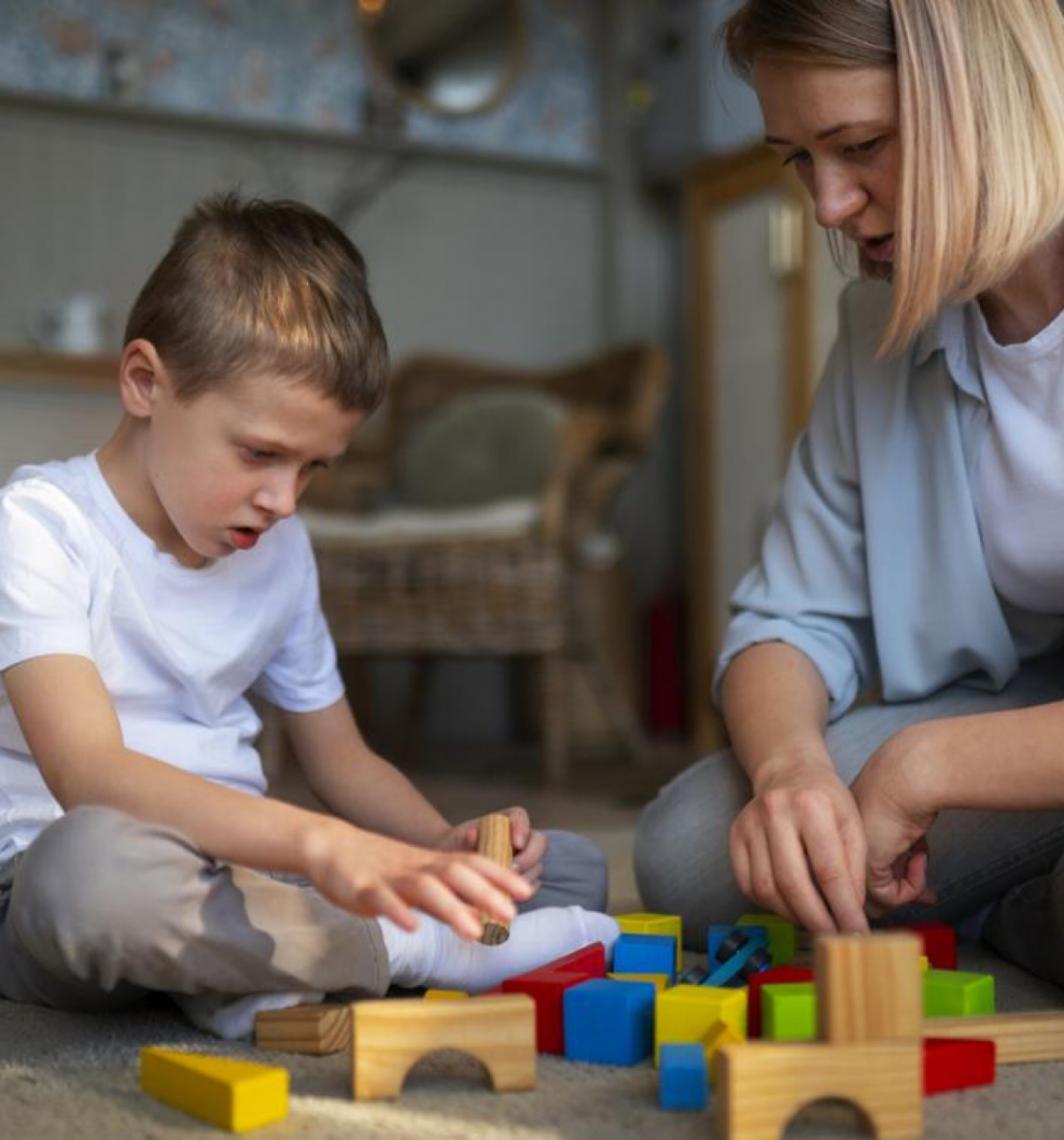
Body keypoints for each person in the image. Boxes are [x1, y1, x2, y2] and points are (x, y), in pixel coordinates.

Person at [0, 192, 616, 1038]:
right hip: (61, 881)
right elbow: (90, 775)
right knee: (89, 879)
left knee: (566, 870)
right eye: (260, 454)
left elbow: (343, 761)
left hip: (243, 876)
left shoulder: (279, 550)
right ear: (146, 383)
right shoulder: (38, 527)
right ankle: (413, 953)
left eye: (314, 469)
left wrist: (440, 844)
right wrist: (326, 848)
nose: (284, 500)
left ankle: (255, 963)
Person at [636, 0, 1064, 986]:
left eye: (860, 144)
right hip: (1024, 715)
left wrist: (923, 771)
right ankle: (1016, 900)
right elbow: (785, 619)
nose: (826, 205)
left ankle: (996, 899)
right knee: (695, 852)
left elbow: (919, 765)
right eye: (797, 158)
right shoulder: (878, 329)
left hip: (987, 747)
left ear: (993, 103)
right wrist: (792, 774)